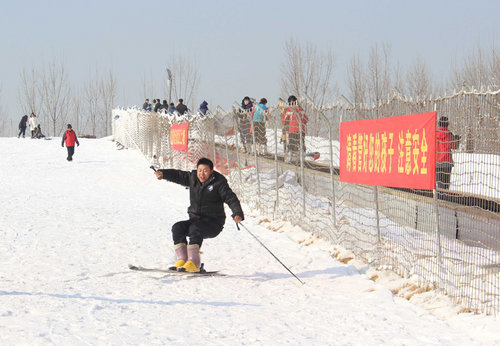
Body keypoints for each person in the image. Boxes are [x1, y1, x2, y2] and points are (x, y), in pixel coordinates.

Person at [154, 157, 244, 272]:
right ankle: (183, 259)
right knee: (177, 227)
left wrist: (237, 213)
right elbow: (178, 175)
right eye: (199, 170)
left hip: (213, 224)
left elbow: (231, 198)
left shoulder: (219, 182)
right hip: (195, 220)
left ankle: (194, 263)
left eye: (205, 171)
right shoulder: (193, 178)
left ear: (211, 171)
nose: (202, 174)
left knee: (195, 228)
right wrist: (163, 173)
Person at [282, 95, 308, 163]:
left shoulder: (290, 110)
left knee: (292, 144)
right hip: (301, 130)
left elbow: (284, 119)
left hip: (293, 130)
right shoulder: (301, 109)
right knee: (301, 143)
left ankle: (293, 157)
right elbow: (306, 119)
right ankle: (302, 157)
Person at [436, 116, 459, 190]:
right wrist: (456, 139)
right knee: (446, 184)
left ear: (439, 124)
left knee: (439, 184)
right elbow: (455, 146)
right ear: (447, 124)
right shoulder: (449, 135)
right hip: (447, 163)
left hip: (436, 163)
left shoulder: (434, 134)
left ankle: (439, 198)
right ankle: (445, 197)